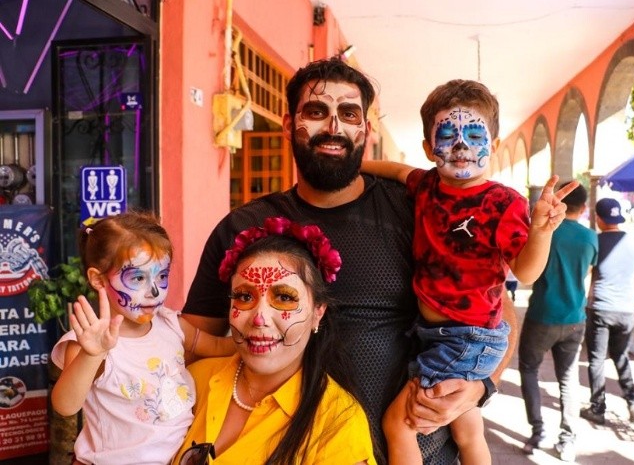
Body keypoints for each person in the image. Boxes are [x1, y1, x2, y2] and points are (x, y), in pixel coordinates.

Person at [182, 58, 519, 464]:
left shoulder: (418, 211)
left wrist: (481, 385)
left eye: (349, 114)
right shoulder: (243, 228)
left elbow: (496, 308)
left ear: (366, 130)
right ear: (288, 125)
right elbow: (192, 345)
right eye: (316, 111)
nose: (333, 127)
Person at [361, 79, 575, 465]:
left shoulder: (502, 202)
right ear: (429, 148)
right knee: (466, 426)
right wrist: (353, 166)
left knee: (400, 423)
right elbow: (395, 169)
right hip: (442, 335)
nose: (461, 146)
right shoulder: (426, 186)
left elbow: (526, 272)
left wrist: (541, 232)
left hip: (467, 337)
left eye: (475, 136)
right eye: (447, 135)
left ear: (494, 145)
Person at [173, 217, 376, 464]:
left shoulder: (337, 423)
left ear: (318, 313)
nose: (259, 318)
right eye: (244, 297)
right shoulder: (192, 381)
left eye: (284, 298)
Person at [50, 212, 236, 465]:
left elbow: (218, 346)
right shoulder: (89, 344)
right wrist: (92, 354)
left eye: (162, 276)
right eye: (138, 278)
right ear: (98, 279)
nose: (154, 291)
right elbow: (65, 405)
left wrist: (259, 339)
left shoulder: (171, 324)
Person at [517, 182, 598, 462]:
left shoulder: (543, 231)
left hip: (542, 313)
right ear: (584, 207)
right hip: (575, 316)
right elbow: (588, 272)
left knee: (529, 370)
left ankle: (537, 432)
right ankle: (567, 440)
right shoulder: (590, 237)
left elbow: (528, 269)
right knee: (568, 378)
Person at [580, 198, 634, 426]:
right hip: (625, 310)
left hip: (600, 308)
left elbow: (585, 275)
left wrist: (584, 300)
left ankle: (598, 408)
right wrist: (633, 300)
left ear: (598, 218)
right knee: (621, 357)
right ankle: (632, 402)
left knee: (596, 360)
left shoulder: (595, 241)